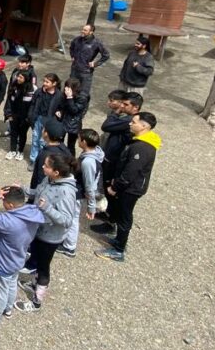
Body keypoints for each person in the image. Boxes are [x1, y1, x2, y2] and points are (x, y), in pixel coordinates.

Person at [15, 153, 78, 312]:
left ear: (56, 172)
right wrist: (23, 189)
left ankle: (36, 301)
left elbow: (67, 220)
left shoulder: (66, 192)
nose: (42, 167)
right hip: (40, 230)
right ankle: (34, 283)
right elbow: (39, 192)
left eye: (46, 166)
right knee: (37, 259)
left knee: (44, 267)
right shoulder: (49, 179)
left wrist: (47, 208)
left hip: (50, 237)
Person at [95, 112, 161, 263]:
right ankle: (118, 240)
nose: (130, 124)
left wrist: (116, 187)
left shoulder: (142, 147)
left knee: (125, 217)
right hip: (126, 186)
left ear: (144, 126)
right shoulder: (138, 141)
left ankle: (118, 250)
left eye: (134, 122)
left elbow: (131, 171)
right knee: (120, 212)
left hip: (131, 189)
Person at [0, 186, 43, 326]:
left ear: (10, 205)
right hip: (18, 259)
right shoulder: (34, 213)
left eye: (4, 202)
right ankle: (8, 309)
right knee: (12, 284)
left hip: (3, 263)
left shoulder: (7, 222)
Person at [60, 129, 104, 257]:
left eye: (79, 139)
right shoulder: (92, 154)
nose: (78, 141)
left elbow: (89, 186)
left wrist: (91, 207)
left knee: (73, 218)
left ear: (84, 142)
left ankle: (69, 246)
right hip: (78, 191)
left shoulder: (88, 162)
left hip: (78, 193)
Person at [101, 91, 142, 190]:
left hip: (114, 158)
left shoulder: (128, 120)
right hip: (113, 155)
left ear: (135, 107)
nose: (122, 106)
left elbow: (105, 126)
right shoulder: (127, 118)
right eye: (122, 103)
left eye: (126, 104)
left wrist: (116, 111)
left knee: (106, 184)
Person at [27, 73, 62, 171]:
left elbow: (61, 107)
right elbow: (33, 104)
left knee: (43, 142)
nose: (44, 83)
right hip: (38, 118)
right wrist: (31, 116)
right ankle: (33, 160)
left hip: (49, 121)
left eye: (47, 82)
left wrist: (59, 113)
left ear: (54, 83)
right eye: (44, 81)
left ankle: (42, 161)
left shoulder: (58, 95)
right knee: (35, 140)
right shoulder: (39, 92)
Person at [29, 119, 72, 190]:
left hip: (44, 193)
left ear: (46, 134)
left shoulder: (46, 155)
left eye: (44, 129)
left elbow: (41, 179)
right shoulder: (65, 149)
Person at [69, 24, 110, 96]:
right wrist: (72, 56)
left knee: (83, 93)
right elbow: (71, 47)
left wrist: (96, 63)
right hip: (74, 70)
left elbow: (106, 55)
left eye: (85, 30)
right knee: (71, 89)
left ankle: (83, 107)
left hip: (86, 72)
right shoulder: (77, 39)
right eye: (82, 29)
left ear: (91, 32)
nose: (82, 31)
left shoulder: (96, 43)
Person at [2, 54, 37, 137]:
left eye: (23, 62)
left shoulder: (32, 75)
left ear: (28, 63)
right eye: (19, 62)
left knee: (19, 118)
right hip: (13, 96)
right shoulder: (16, 70)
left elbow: (32, 89)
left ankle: (17, 136)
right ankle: (10, 129)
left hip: (22, 100)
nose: (20, 64)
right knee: (10, 112)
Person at [52, 77, 89, 154]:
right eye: (66, 86)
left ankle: (70, 161)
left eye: (68, 87)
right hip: (63, 120)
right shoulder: (64, 94)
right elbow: (61, 105)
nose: (66, 89)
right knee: (59, 141)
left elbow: (74, 110)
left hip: (74, 123)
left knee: (71, 145)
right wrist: (59, 111)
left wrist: (69, 97)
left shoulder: (82, 97)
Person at [4, 71, 31, 160]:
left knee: (22, 134)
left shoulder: (31, 90)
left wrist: (28, 118)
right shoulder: (13, 86)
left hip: (25, 117)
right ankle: (12, 150)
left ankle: (20, 151)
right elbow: (8, 101)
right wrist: (8, 114)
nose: (18, 79)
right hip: (14, 115)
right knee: (14, 133)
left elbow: (32, 105)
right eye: (18, 77)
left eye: (21, 77)